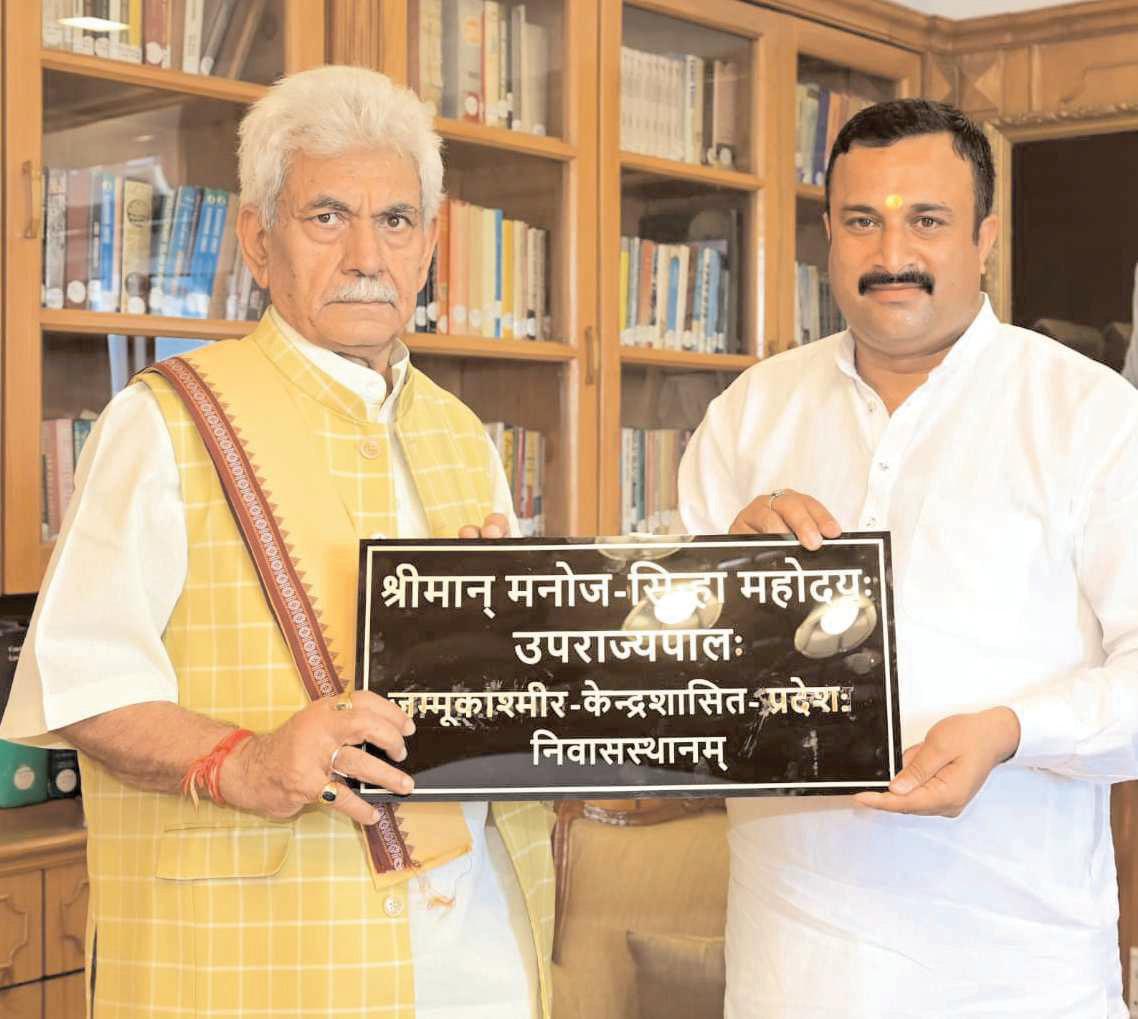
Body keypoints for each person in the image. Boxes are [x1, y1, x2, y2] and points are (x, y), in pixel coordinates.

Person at [0, 66, 553, 1018]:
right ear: (258, 241)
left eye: (395, 221)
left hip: (476, 948)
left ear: (428, 246)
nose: (366, 255)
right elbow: (81, 686)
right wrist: (249, 761)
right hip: (257, 956)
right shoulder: (163, 419)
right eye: (326, 217)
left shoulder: (463, 432)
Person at [679, 98, 1138, 1017]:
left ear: (985, 237)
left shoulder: (1089, 416)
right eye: (863, 220)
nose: (893, 252)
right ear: (828, 236)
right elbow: (665, 681)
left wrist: (1010, 731)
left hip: (1018, 975)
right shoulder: (750, 411)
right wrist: (725, 581)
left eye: (926, 219)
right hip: (789, 968)